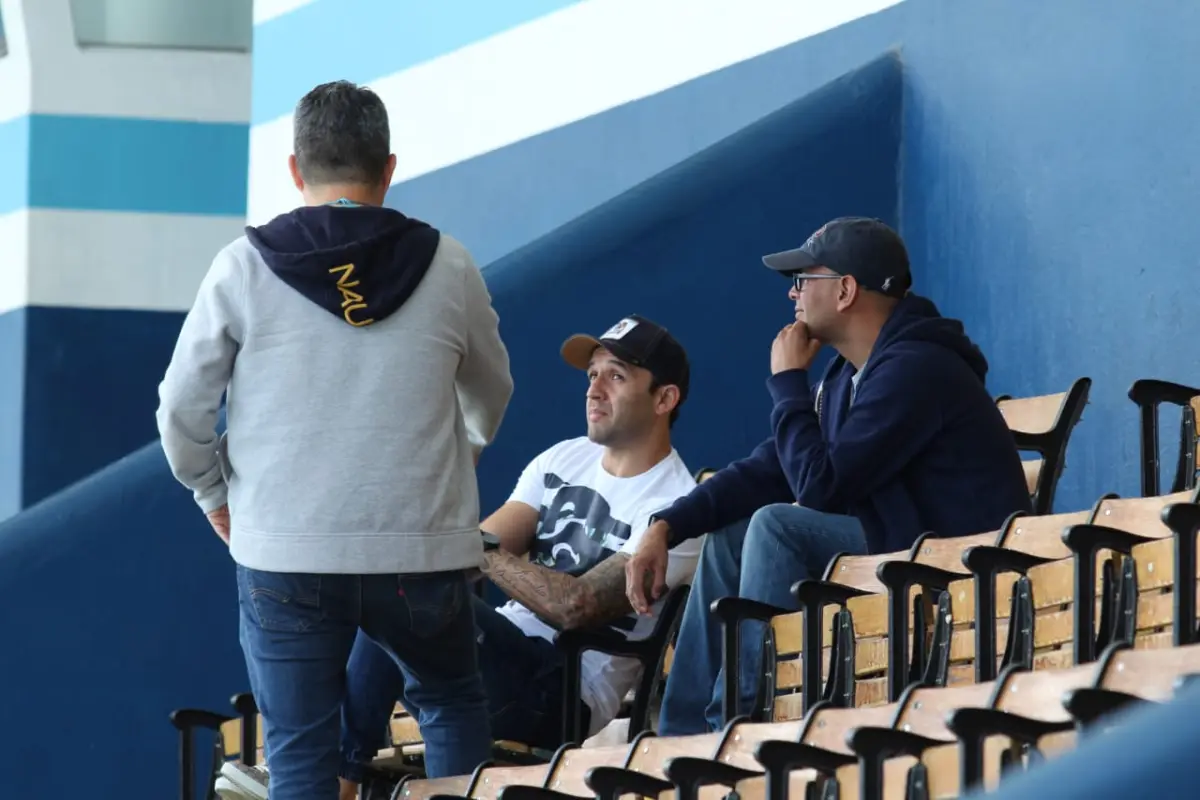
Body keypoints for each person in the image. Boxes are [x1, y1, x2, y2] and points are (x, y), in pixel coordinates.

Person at [155, 80, 514, 799]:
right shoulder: (449, 265)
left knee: (301, 755)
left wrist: (212, 492)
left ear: (295, 169)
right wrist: (452, 463)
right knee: (448, 704)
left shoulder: (243, 266)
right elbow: (492, 392)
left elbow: (180, 411)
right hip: (421, 548)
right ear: (388, 169)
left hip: (287, 551)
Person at [623, 217, 1033, 735]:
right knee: (730, 535)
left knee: (776, 526)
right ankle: (683, 737)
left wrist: (789, 382)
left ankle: (741, 724)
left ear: (844, 290)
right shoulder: (847, 376)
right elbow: (772, 466)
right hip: (901, 543)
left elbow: (821, 488)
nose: (792, 294)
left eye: (803, 279)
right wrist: (667, 525)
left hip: (956, 565)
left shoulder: (918, 368)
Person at [333, 314, 701, 800]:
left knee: (400, 602)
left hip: (560, 690)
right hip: (500, 653)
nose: (594, 390)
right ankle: (341, 781)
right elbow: (463, 553)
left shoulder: (677, 511)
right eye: (592, 375)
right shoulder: (561, 459)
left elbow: (577, 606)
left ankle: (336, 782)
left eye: (616, 375)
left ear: (664, 399)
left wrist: (470, 544)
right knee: (389, 592)